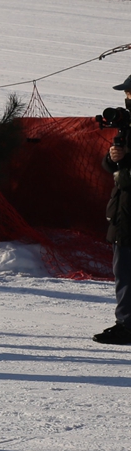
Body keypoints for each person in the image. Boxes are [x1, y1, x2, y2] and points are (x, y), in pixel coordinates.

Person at [96, 75, 131, 345]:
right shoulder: (126, 126)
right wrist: (113, 156)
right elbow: (112, 167)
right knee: (123, 270)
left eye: (130, 93)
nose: (127, 97)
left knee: (126, 270)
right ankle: (125, 322)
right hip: (123, 209)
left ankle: (127, 325)